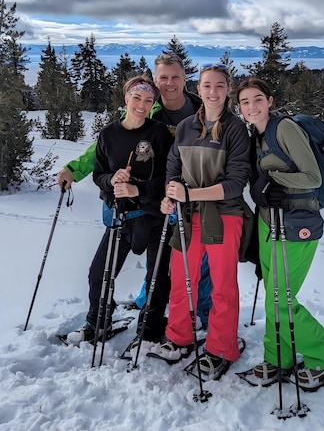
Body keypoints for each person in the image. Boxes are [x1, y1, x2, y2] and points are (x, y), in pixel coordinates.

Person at [57, 54, 212, 329]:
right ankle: (147, 306)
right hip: (156, 201)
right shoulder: (147, 109)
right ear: (155, 81)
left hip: (199, 192)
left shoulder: (203, 110)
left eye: (175, 76)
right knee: (160, 266)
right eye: (163, 77)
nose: (169, 83)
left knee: (198, 262)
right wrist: (74, 169)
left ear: (185, 78)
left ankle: (202, 312)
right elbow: (107, 148)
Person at [236, 77, 324, 388]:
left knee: (282, 298)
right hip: (269, 223)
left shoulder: (284, 129)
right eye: (244, 102)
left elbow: (313, 177)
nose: (251, 107)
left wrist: (275, 180)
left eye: (257, 99)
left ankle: (322, 356)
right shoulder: (257, 135)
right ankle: (278, 357)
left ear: (269, 101)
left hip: (297, 224)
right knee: (273, 294)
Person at [155, 63, 251, 378]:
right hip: (186, 215)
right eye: (207, 85)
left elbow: (236, 183)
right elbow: (173, 165)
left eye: (220, 86)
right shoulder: (185, 127)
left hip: (224, 216)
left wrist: (189, 194)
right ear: (199, 88)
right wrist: (170, 193)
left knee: (222, 285)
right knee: (183, 278)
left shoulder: (235, 129)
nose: (213, 92)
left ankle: (222, 346)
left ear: (228, 90)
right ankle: (179, 336)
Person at [69, 75, 174, 344]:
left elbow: (170, 178)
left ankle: (150, 328)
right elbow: (99, 174)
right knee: (99, 273)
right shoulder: (109, 134)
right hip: (121, 217)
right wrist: (112, 179)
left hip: (154, 217)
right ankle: (98, 321)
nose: (142, 104)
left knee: (157, 277)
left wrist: (139, 190)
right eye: (137, 97)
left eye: (148, 100)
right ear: (126, 98)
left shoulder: (159, 133)